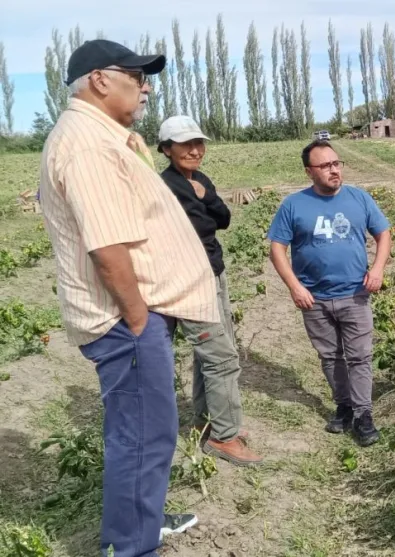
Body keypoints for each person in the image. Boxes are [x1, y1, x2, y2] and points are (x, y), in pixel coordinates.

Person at [38, 39, 218, 556]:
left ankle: (143, 519)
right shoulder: (87, 145)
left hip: (129, 316)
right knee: (142, 435)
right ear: (99, 80)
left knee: (149, 429)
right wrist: (139, 320)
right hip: (123, 320)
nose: (145, 88)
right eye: (136, 77)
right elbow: (106, 246)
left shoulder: (101, 136)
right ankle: (130, 545)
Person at [267, 140, 392, 447]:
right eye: (325, 166)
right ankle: (344, 405)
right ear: (309, 171)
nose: (334, 170)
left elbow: (383, 233)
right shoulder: (293, 205)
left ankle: (363, 414)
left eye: (337, 163)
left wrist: (377, 269)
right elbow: (276, 249)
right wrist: (295, 286)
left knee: (360, 357)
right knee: (330, 356)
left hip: (355, 293)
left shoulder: (359, 199)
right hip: (314, 298)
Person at [157, 115, 263, 467]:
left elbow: (224, 218)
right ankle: (224, 437)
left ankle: (207, 421)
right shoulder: (166, 186)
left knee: (215, 353)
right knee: (221, 357)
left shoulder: (199, 180)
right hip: (187, 280)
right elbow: (198, 225)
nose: (194, 150)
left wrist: (205, 197)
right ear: (166, 149)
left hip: (213, 273)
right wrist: (206, 208)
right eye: (185, 144)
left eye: (198, 143)